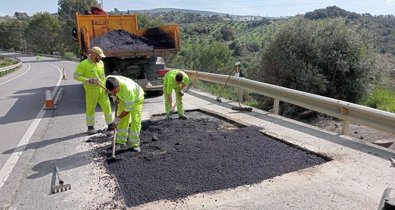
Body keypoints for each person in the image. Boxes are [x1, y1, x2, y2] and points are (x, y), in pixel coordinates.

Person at [73, 46, 114, 134]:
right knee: (91, 108)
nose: (100, 58)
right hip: (91, 90)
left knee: (107, 106)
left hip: (102, 89)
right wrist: (87, 80)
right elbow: (76, 76)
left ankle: (110, 124)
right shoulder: (83, 64)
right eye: (99, 56)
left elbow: (103, 76)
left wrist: (106, 87)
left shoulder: (101, 63)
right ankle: (90, 127)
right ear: (93, 54)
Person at [105, 75, 144, 152]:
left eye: (114, 91)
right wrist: (114, 96)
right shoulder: (108, 79)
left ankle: (134, 143)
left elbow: (128, 108)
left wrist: (118, 118)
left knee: (135, 121)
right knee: (123, 121)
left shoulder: (128, 89)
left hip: (136, 99)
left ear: (118, 86)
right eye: (111, 91)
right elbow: (108, 90)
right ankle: (121, 142)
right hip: (122, 98)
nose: (112, 93)